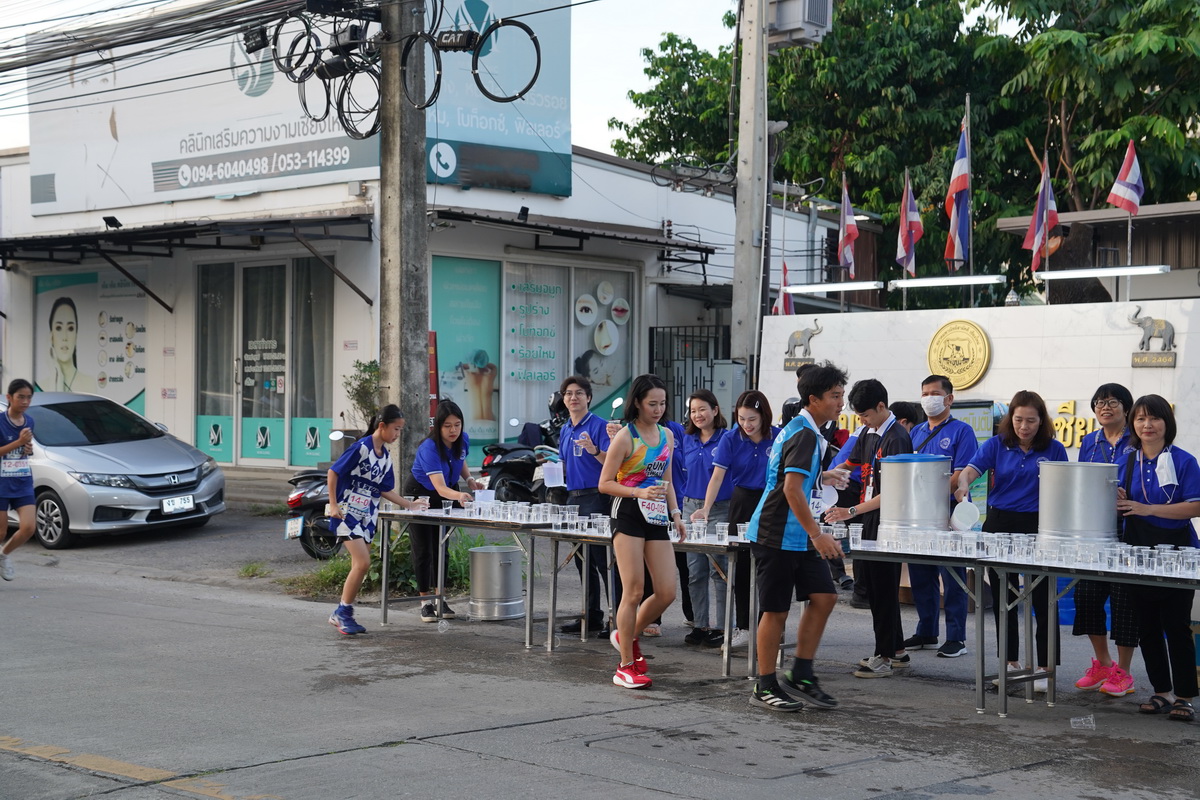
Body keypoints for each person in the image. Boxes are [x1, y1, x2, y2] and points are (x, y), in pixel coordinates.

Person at [745, 361, 847, 712]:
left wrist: (823, 477)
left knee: (825, 596)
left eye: (842, 395)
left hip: (798, 535)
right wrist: (818, 534)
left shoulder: (807, 430)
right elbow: (790, 489)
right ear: (814, 399)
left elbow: (795, 480)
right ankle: (764, 685)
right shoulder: (804, 433)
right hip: (776, 532)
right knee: (775, 611)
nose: (841, 403)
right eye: (835, 396)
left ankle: (801, 674)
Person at [956, 391, 1068, 692]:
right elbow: (970, 471)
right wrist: (964, 484)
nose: (1024, 426)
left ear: (1041, 421)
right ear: (1010, 419)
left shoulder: (1055, 449)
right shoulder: (996, 444)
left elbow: (1064, 488)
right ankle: (1010, 662)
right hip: (1000, 524)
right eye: (1018, 420)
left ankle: (1045, 668)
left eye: (1031, 420)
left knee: (1044, 597)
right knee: (1003, 597)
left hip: (1039, 525)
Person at [599, 374, 686, 689]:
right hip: (627, 512)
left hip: (657, 513)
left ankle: (626, 635)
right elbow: (604, 483)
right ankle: (625, 665)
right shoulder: (626, 437)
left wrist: (676, 514)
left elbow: (667, 480)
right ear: (637, 403)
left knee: (666, 592)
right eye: (652, 404)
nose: (658, 409)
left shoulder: (667, 435)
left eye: (662, 403)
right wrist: (638, 492)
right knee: (634, 590)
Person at [1117, 394, 1200, 722]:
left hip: (1178, 553)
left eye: (1154, 418)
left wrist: (1146, 508)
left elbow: (1195, 506)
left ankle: (1185, 696)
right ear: (1133, 424)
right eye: (1140, 418)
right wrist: (1116, 498)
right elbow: (1122, 507)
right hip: (1138, 550)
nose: (1147, 425)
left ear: (1167, 423)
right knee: (1147, 626)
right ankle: (1161, 692)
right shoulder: (1127, 461)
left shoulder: (1183, 460)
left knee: (1176, 626)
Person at [826, 379, 914, 678]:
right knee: (875, 588)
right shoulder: (868, 432)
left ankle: (884, 656)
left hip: (889, 519)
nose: (862, 420)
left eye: (865, 414)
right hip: (870, 516)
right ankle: (897, 650)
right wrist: (824, 476)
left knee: (884, 589)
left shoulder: (896, 438)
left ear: (881, 406)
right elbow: (850, 464)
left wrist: (849, 511)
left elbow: (892, 492)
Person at [326, 405, 428, 634]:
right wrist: (333, 504)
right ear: (382, 426)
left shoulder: (386, 457)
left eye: (401, 430)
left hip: (367, 517)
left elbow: (384, 489)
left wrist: (410, 504)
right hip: (346, 514)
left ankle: (342, 612)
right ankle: (343, 612)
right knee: (362, 563)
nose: (398, 434)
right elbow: (333, 472)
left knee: (359, 566)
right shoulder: (361, 448)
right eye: (396, 429)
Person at [694, 390, 779, 652]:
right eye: (741, 419)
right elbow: (717, 476)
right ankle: (744, 627)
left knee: (771, 568)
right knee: (740, 566)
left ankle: (770, 627)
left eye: (752, 419)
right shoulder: (731, 438)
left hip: (772, 501)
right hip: (741, 502)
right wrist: (706, 508)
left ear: (764, 416)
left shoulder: (778, 436)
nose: (746, 424)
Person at [904, 375, 979, 659]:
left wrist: (927, 495)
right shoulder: (916, 431)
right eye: (924, 393)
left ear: (949, 398)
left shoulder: (962, 431)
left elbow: (960, 475)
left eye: (934, 393)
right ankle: (926, 632)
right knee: (921, 573)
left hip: (949, 512)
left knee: (953, 575)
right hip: (920, 514)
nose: (929, 399)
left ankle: (956, 638)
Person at [1072, 383, 1139, 697]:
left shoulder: (1137, 440)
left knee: (1124, 600)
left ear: (1126, 407)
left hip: (1129, 529)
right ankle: (1103, 663)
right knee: (1086, 595)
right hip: (1095, 531)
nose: (1104, 407)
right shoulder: (1089, 441)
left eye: (1112, 402)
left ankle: (1124, 672)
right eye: (1099, 402)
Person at [404, 400, 484, 622]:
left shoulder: (462, 439)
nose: (453, 430)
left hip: (449, 491)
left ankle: (441, 598)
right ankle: (425, 602)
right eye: (447, 426)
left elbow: (460, 460)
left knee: (442, 547)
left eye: (457, 425)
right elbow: (439, 487)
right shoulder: (429, 448)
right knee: (424, 549)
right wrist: (459, 495)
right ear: (437, 426)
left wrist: (469, 479)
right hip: (422, 493)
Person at [557, 375, 612, 637]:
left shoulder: (600, 426)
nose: (573, 397)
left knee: (604, 561)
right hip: (573, 498)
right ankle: (591, 616)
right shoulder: (565, 429)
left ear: (589, 397)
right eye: (568, 393)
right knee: (582, 560)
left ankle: (616, 618)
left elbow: (613, 463)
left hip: (597, 497)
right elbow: (564, 464)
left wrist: (593, 450)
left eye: (579, 393)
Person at [679, 389, 731, 648]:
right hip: (690, 507)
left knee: (719, 570)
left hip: (720, 509)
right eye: (693, 411)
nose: (697, 415)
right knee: (695, 571)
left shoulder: (727, 438)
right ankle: (700, 625)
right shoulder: (687, 438)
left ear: (715, 410)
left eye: (702, 409)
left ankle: (723, 627)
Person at [0, 379, 37, 581]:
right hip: (1, 483)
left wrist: (27, 448)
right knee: (1, 532)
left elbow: (25, 449)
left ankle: (3, 555)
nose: (25, 401)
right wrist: (19, 442)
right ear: (9, 397)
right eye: (20, 397)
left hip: (22, 480)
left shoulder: (29, 421)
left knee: (29, 527)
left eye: (28, 397)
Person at [46, 297, 97, 392]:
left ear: (76, 336)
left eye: (70, 328)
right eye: (58, 328)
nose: (64, 337)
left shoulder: (90, 384)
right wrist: (54, 373)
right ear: (51, 336)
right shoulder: (42, 385)